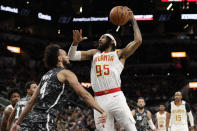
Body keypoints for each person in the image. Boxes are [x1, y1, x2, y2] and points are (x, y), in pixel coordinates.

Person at [68, 7, 142, 131]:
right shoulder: (94, 53)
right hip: (99, 100)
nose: (99, 39)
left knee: (130, 128)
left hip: (116, 96)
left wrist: (133, 19)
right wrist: (75, 43)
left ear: (112, 41)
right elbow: (71, 56)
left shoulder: (119, 54)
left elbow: (138, 40)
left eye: (103, 37)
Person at [11, 44, 106, 131]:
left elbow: (31, 102)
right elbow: (84, 94)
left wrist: (17, 123)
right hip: (45, 119)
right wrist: (102, 111)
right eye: (65, 55)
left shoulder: (45, 76)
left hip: (30, 120)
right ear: (60, 58)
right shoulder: (66, 73)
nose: (68, 57)